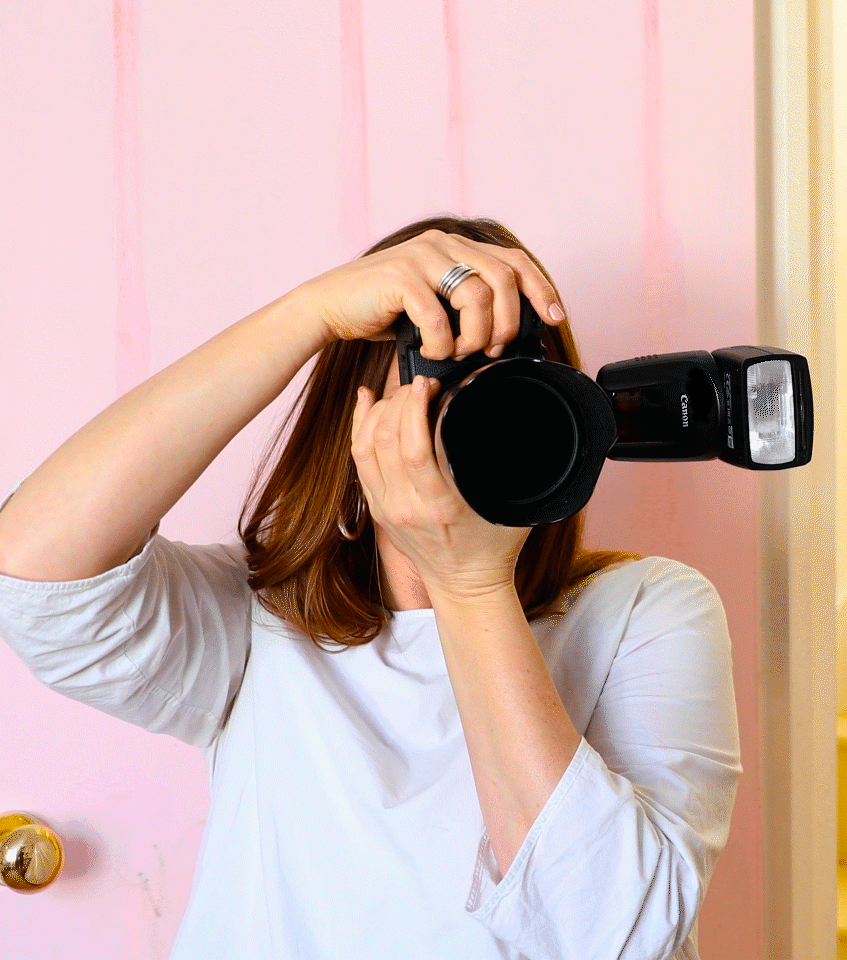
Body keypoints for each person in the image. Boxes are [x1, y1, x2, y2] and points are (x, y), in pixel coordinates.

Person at [0, 216, 741, 960]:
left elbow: (616, 934)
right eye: (444, 385)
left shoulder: (647, 609)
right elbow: (36, 572)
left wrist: (470, 584)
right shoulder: (259, 619)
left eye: (508, 392)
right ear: (357, 425)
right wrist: (311, 314)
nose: (477, 426)